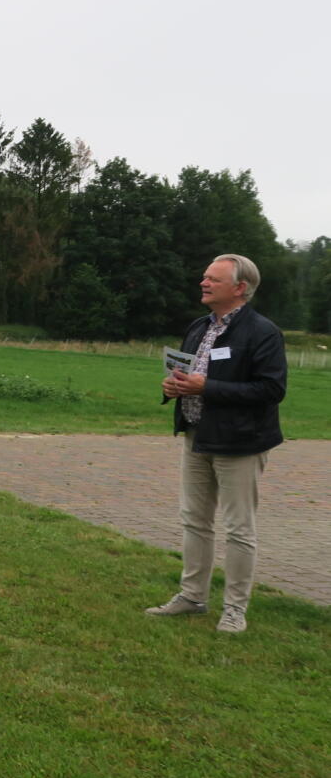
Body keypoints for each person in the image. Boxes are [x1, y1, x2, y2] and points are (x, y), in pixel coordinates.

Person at [146, 253, 287, 634]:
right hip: (196, 436)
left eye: (213, 279)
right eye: (204, 277)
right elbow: (186, 373)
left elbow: (271, 389)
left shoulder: (262, 332)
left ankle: (235, 609)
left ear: (240, 288)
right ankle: (192, 597)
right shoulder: (197, 327)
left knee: (239, 528)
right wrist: (172, 387)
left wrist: (207, 386)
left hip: (240, 442)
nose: (203, 283)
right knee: (194, 520)